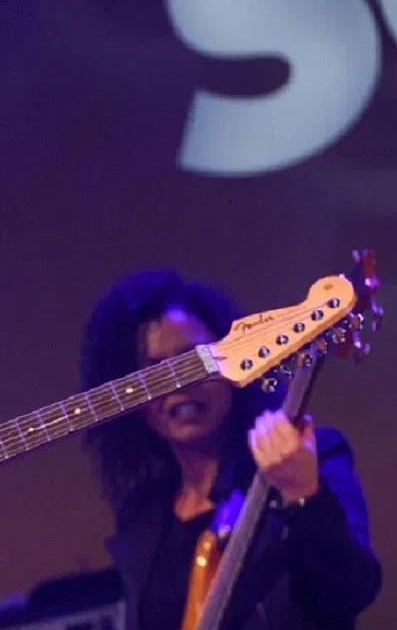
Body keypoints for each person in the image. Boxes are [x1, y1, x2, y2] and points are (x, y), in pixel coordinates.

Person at [78, 269, 380, 629]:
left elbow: (349, 592)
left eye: (193, 360)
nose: (180, 384)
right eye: (154, 372)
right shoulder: (142, 512)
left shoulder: (314, 454)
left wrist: (303, 495)